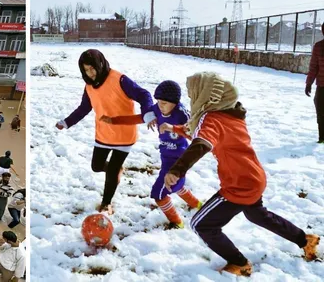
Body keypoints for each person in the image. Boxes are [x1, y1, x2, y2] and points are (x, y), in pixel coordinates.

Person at [164, 71, 320, 276]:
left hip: (239, 184)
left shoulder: (212, 118)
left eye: (194, 94)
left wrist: (177, 169)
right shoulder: (231, 114)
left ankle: (239, 263)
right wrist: (176, 128)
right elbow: (200, 132)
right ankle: (304, 240)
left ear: (205, 95)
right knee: (258, 215)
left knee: (201, 224)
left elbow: (202, 141)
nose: (192, 98)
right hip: (254, 177)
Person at [55, 49, 155, 214]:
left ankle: (106, 203)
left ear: (100, 64)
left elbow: (143, 94)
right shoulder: (89, 86)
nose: (90, 73)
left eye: (92, 68)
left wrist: (148, 112)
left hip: (124, 134)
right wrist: (67, 122)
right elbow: (84, 108)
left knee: (112, 170)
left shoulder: (119, 79)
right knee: (96, 166)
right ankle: (116, 171)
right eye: (86, 70)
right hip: (103, 133)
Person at [101, 80, 201, 229]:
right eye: (159, 101)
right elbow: (138, 118)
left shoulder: (182, 114)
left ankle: (177, 222)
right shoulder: (157, 109)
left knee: (159, 194)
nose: (161, 105)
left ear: (175, 102)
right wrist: (114, 121)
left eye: (165, 103)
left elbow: (195, 135)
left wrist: (173, 128)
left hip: (180, 160)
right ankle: (197, 204)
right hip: (166, 157)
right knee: (177, 185)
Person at [305, 22, 324, 144]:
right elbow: (314, 67)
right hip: (322, 86)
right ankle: (322, 136)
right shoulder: (319, 47)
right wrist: (309, 83)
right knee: (321, 111)